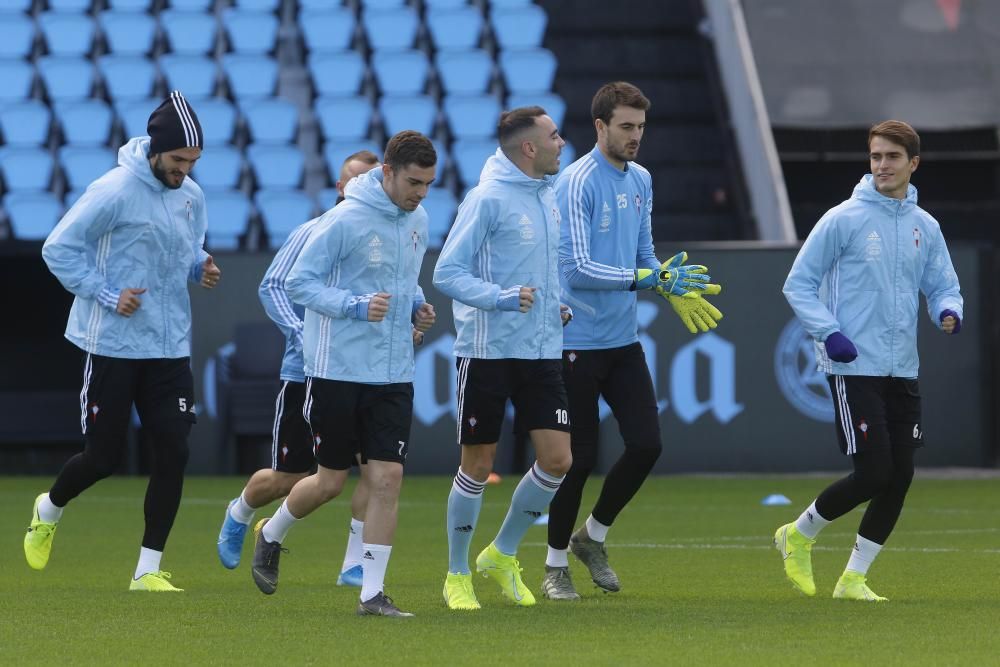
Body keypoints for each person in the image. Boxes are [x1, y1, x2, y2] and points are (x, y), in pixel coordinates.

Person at [26, 91, 221, 592]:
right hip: (112, 342)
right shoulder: (112, 190)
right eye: (178, 160)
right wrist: (107, 294)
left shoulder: (190, 195)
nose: (184, 171)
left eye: (193, 162)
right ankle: (49, 508)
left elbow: (190, 250)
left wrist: (202, 266)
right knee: (104, 458)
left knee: (174, 450)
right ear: (156, 149)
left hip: (170, 346)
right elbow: (59, 248)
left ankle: (147, 571)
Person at [541, 81, 720, 601]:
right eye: (626, 127)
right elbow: (575, 269)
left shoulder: (641, 178)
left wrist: (663, 280)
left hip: (622, 340)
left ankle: (591, 537)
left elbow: (644, 250)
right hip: (575, 339)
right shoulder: (576, 182)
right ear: (600, 127)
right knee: (576, 458)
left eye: (641, 126)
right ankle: (554, 565)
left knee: (647, 445)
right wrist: (646, 280)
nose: (636, 136)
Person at [249, 131, 437, 618]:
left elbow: (406, 279)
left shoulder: (418, 220)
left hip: (394, 371)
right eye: (414, 182)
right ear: (388, 172)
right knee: (329, 482)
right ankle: (271, 533)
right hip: (335, 371)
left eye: (429, 184)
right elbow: (298, 283)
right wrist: (354, 307)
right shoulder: (343, 219)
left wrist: (417, 307)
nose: (421, 192)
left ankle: (371, 594)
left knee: (387, 479)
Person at [777, 120, 963, 602]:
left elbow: (943, 283)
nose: (882, 165)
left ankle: (853, 579)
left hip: (903, 366)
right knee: (874, 472)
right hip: (854, 366)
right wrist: (829, 332)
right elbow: (797, 283)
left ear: (913, 164)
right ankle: (798, 534)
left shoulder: (926, 226)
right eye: (876, 156)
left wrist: (948, 309)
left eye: (892, 157)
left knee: (900, 475)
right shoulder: (844, 218)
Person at [215, 151, 383, 588]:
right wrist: (299, 331)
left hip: (363, 371)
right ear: (340, 189)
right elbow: (272, 284)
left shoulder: (385, 236)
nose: (363, 187)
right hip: (306, 371)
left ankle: (354, 563)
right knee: (289, 477)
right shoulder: (313, 231)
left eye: (372, 179)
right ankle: (241, 512)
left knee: (375, 469)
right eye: (355, 181)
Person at [433, 106, 578, 612]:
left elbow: (538, 273)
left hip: (540, 349)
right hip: (487, 350)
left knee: (559, 459)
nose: (563, 142)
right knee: (478, 464)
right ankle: (456, 573)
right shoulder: (487, 198)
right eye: (554, 135)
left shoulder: (547, 196)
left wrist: (551, 306)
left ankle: (502, 553)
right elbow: (446, 273)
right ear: (529, 148)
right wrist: (499, 296)